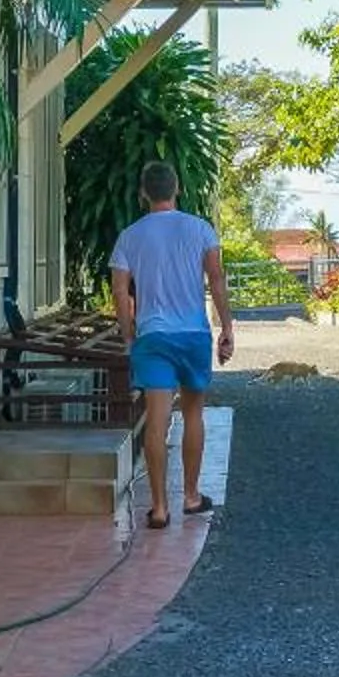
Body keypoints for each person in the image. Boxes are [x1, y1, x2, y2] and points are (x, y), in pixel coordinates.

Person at [107, 159, 231, 529]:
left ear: (143, 193)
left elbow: (119, 290)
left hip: (153, 336)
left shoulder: (130, 236)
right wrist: (227, 328)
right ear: (176, 188)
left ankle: (159, 508)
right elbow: (217, 279)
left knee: (157, 422)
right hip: (193, 334)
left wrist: (129, 333)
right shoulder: (200, 229)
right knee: (194, 414)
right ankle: (192, 497)